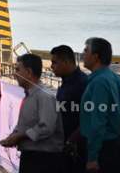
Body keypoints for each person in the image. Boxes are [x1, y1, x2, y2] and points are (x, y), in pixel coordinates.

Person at [0, 54, 64, 173]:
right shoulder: (30, 95)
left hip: (42, 160)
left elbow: (46, 127)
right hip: (31, 156)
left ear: (29, 72)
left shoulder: (44, 96)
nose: (14, 74)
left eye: (18, 70)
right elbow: (26, 124)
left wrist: (19, 136)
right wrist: (13, 137)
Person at [80, 37, 120, 173]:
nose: (82, 54)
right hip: (115, 143)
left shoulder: (100, 82)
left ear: (96, 56)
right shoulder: (116, 77)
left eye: (86, 50)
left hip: (102, 149)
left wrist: (92, 157)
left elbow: (98, 123)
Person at [50, 44, 88, 173]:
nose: (51, 66)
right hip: (63, 146)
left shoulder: (82, 84)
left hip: (77, 150)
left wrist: (72, 140)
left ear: (66, 62)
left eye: (54, 62)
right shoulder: (66, 82)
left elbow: (89, 118)